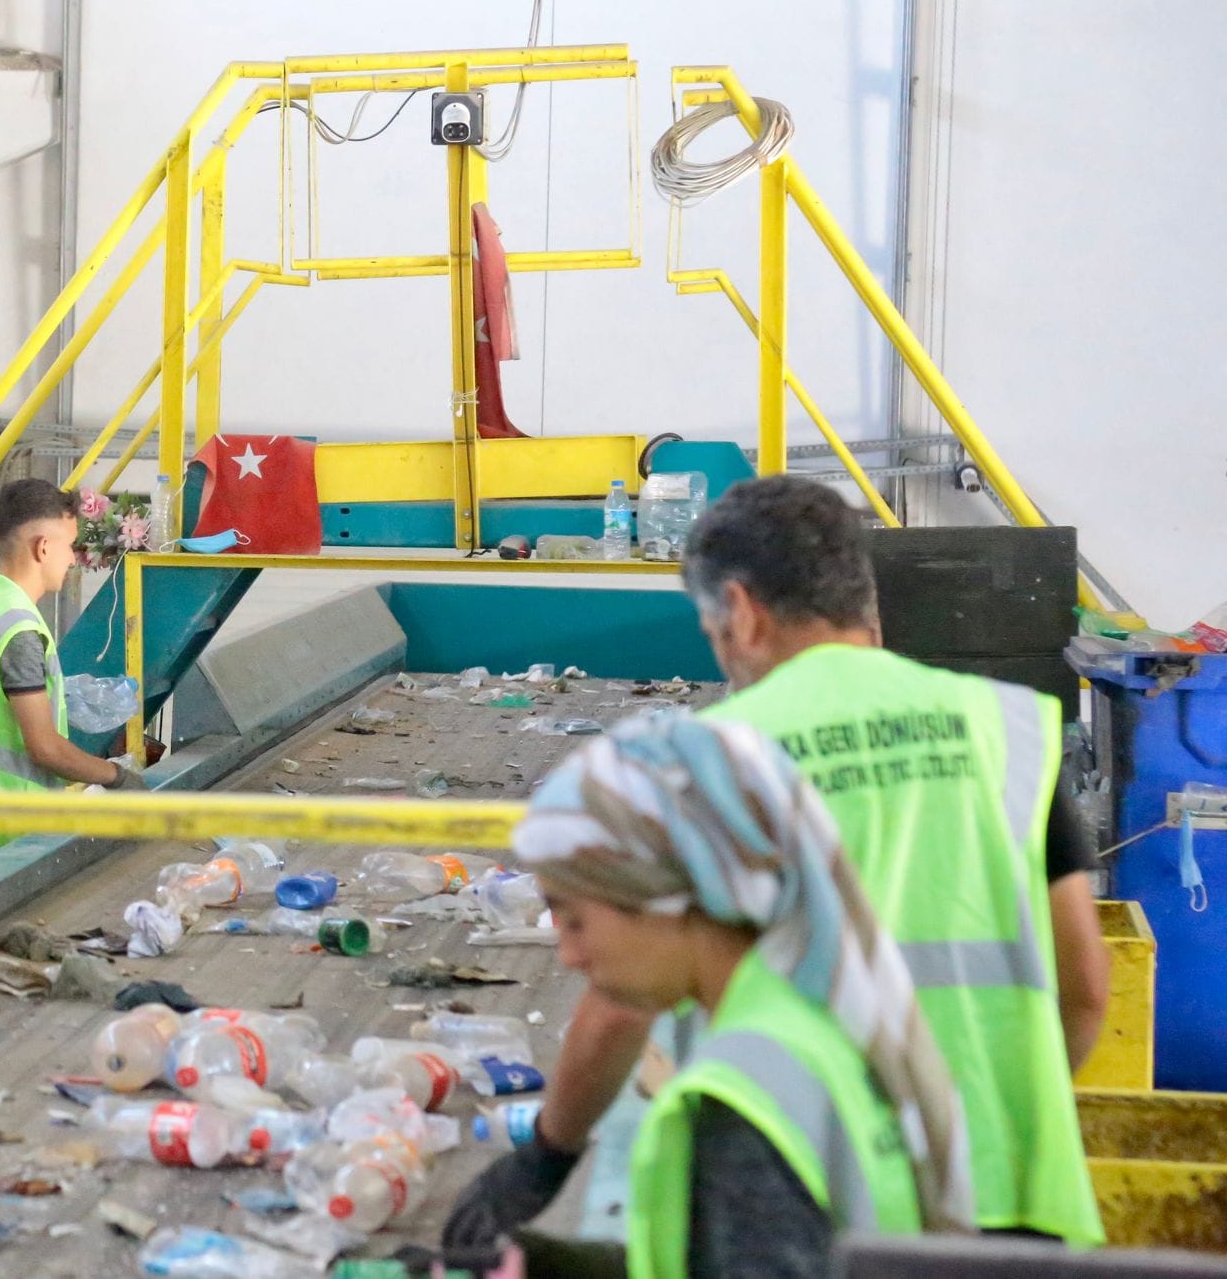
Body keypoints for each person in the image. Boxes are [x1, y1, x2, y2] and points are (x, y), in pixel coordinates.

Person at [446, 475, 1108, 1248]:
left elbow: (625, 988)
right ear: (864, 599)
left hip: (798, 1185)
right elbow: (1086, 991)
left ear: (744, 614)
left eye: (713, 632)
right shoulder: (1006, 727)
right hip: (1016, 1194)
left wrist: (546, 1158)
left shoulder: (714, 755)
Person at [462, 714, 972, 1278]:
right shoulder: (820, 1020)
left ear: (671, 897)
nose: (569, 956)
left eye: (576, 919)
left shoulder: (746, 1100)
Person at [0, 479, 143, 872]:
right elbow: (44, 749)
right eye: (69, 545)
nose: (72, 558)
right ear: (43, 548)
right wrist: (118, 778)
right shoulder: (21, 631)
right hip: (6, 839)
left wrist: (57, 696)